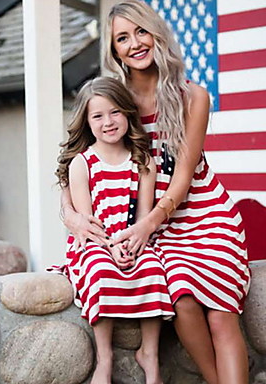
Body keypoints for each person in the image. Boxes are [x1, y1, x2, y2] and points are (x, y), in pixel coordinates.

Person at [61, 1, 251, 383]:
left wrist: (148, 223)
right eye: (122, 38)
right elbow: (73, 160)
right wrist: (70, 214)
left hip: (202, 213)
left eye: (141, 32)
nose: (135, 43)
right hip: (154, 227)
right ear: (114, 50)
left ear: (157, 34)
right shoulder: (115, 102)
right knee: (182, 302)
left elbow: (183, 176)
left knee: (220, 314)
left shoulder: (193, 97)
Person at [50, 76, 175, 384]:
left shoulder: (142, 161)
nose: (108, 121)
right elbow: (88, 222)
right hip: (96, 241)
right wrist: (111, 246)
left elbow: (144, 217)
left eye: (115, 111)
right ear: (87, 121)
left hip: (134, 238)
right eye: (98, 115)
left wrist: (131, 246)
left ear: (128, 114)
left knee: (152, 269)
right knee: (101, 270)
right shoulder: (83, 163)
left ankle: (150, 355)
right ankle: (104, 357)